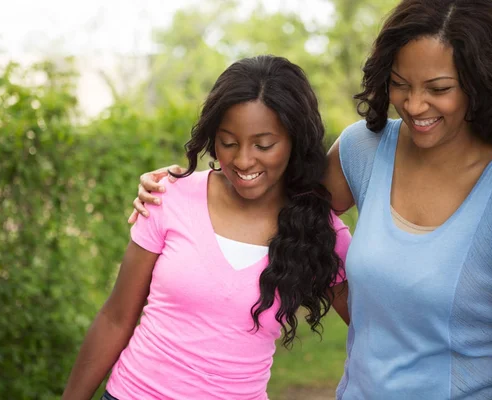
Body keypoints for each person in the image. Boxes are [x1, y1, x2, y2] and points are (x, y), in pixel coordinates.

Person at [132, 1, 492, 398]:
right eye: (399, 84)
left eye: (439, 88)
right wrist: (184, 185)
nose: (414, 105)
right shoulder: (364, 148)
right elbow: (277, 194)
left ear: (482, 82)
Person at [62, 55, 351, 400]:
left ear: (295, 141)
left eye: (264, 145)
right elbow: (116, 317)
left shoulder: (318, 231)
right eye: (228, 142)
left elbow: (379, 331)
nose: (243, 160)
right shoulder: (169, 197)